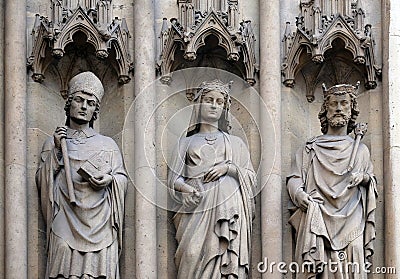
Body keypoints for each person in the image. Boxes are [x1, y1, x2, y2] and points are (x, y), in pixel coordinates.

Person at [36, 71, 128, 279]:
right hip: (65, 216)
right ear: (69, 103)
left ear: (96, 110)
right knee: (61, 259)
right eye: (79, 100)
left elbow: (121, 178)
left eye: (91, 103)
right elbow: (43, 181)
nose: (84, 107)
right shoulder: (53, 142)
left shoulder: (107, 144)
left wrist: (110, 180)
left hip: (100, 221)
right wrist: (57, 152)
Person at [287, 83, 377, 278]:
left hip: (351, 216)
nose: (338, 108)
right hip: (317, 213)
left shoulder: (360, 150)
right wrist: (300, 195)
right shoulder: (310, 148)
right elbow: (294, 179)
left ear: (351, 110)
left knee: (352, 258)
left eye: (344, 103)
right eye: (333, 103)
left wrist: (363, 178)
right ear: (325, 110)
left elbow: (370, 180)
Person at [168, 80, 256, 278]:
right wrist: (186, 189)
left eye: (219, 101)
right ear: (199, 105)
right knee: (191, 254)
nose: (214, 105)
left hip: (229, 211)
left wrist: (229, 168)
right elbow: (174, 180)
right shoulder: (186, 142)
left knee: (225, 256)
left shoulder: (236, 143)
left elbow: (251, 178)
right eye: (209, 100)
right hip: (196, 210)